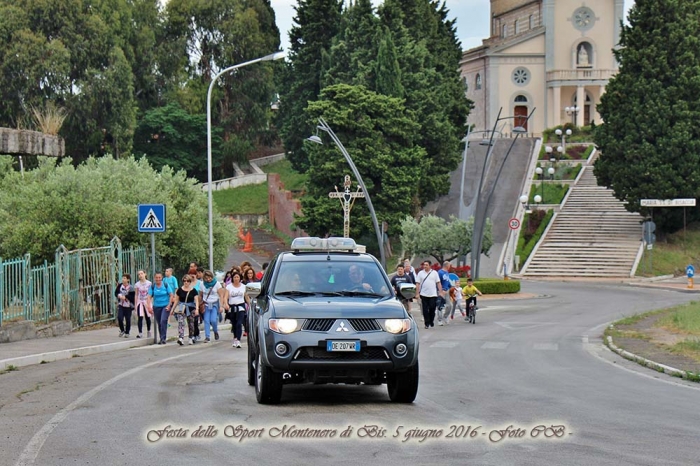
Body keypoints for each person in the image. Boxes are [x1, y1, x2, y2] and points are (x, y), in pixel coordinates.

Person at [170, 274, 200, 345]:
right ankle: (181, 338)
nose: (186, 282)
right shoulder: (179, 290)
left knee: (191, 323)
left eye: (188, 281)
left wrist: (197, 309)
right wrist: (172, 309)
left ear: (190, 282)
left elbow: (196, 300)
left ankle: (191, 337)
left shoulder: (193, 290)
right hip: (182, 308)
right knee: (181, 322)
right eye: (184, 281)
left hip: (191, 308)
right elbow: (176, 300)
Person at [415, 260, 442, 329]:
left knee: (432, 308)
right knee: (425, 309)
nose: (425, 266)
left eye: (426, 265)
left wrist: (440, 292)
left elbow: (438, 283)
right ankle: (426, 323)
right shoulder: (420, 273)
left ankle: (431, 320)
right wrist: (417, 293)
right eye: (424, 265)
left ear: (430, 265)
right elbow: (417, 283)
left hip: (433, 294)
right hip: (423, 294)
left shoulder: (434, 273)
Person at [225, 271, 249, 348]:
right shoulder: (229, 287)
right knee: (234, 324)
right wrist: (225, 304)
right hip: (232, 307)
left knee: (239, 323)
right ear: (232, 278)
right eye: (235, 277)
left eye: (237, 277)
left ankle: (238, 340)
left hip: (241, 306)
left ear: (240, 278)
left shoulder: (243, 287)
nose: (236, 279)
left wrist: (250, 305)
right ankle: (235, 338)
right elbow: (226, 297)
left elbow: (246, 297)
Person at [148, 272, 173, 344]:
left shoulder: (165, 285)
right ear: (154, 278)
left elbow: (171, 295)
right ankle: (161, 337)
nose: (158, 279)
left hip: (165, 306)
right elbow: (149, 297)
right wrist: (149, 306)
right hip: (156, 307)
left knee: (163, 321)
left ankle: (163, 338)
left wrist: (169, 305)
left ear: (161, 278)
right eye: (156, 278)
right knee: (159, 323)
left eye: (159, 277)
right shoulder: (153, 286)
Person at [200, 270, 225, 342]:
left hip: (214, 304)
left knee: (213, 320)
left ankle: (215, 331)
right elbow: (200, 295)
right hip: (206, 304)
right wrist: (199, 305)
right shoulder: (202, 284)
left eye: (209, 277)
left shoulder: (217, 284)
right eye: (206, 278)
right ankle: (207, 336)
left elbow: (221, 295)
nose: (208, 279)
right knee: (206, 320)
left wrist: (221, 306)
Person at [133, 270, 153, 339]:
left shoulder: (149, 283)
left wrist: (150, 302)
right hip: (140, 301)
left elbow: (151, 294)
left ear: (145, 274)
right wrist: (135, 304)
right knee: (140, 317)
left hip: (147, 301)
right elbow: (136, 294)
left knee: (147, 317)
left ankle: (149, 331)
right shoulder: (137, 284)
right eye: (139, 274)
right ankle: (140, 332)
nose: (140, 275)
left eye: (141, 274)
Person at [437, 261, 453, 326]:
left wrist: (451, 286)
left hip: (446, 291)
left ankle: (445, 317)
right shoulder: (440, 272)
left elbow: (447, 281)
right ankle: (440, 320)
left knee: (450, 305)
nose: (450, 267)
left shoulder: (446, 272)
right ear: (447, 265)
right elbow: (438, 282)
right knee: (440, 306)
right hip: (441, 292)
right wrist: (441, 290)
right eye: (449, 265)